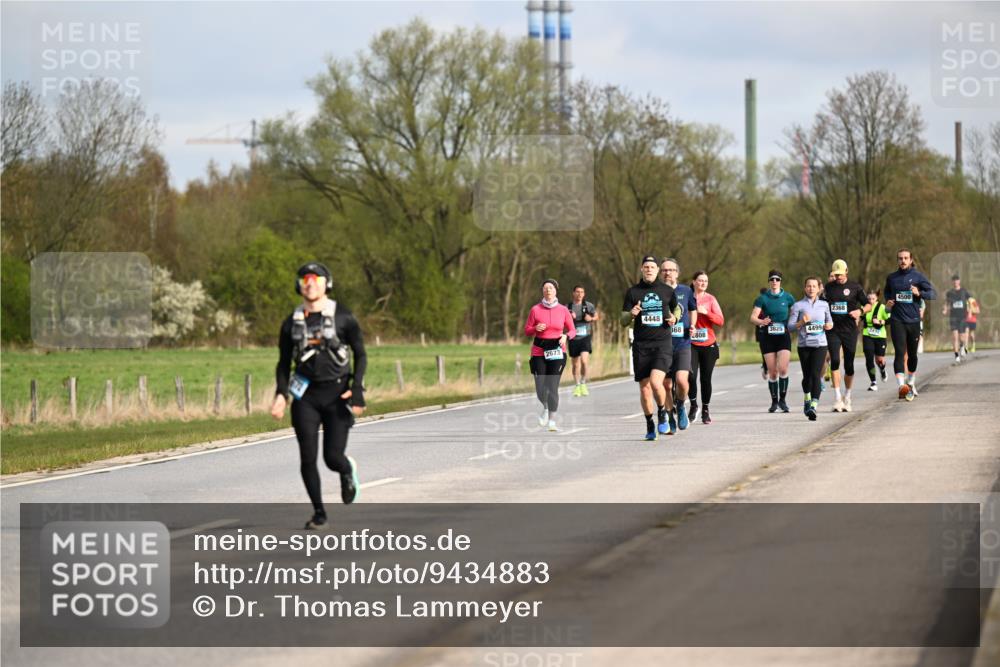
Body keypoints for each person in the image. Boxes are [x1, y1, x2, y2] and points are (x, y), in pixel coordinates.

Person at [271, 262, 367, 530]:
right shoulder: (291, 323)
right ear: (299, 285)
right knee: (307, 457)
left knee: (332, 458)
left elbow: (360, 354)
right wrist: (281, 395)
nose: (310, 283)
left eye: (316, 278)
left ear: (327, 283)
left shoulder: (344, 317)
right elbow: (283, 363)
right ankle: (319, 513)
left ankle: (346, 470)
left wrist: (357, 389)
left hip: (337, 393)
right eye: (305, 279)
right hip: (305, 396)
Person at [621, 255, 679, 441]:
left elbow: (678, 309)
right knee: (645, 389)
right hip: (641, 346)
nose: (649, 269)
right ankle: (649, 424)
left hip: (662, 344)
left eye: (652, 267)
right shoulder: (632, 292)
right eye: (646, 267)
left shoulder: (667, 290)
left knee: (656, 383)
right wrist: (631, 314)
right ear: (642, 270)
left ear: (657, 270)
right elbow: (622, 321)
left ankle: (662, 412)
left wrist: (675, 318)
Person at [884, 248, 936, 401]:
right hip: (897, 321)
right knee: (899, 353)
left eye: (906, 258)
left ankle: (911, 383)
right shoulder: (892, 278)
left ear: (911, 260)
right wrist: (888, 301)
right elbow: (887, 292)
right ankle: (902, 387)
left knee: (912, 355)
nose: (903, 261)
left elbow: (933, 293)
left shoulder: (918, 277)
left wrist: (919, 293)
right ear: (897, 260)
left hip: (913, 321)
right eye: (900, 258)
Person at [524, 279, 576, 431]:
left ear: (555, 291)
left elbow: (572, 330)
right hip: (539, 350)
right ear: (542, 291)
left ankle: (552, 421)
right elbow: (527, 330)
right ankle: (545, 408)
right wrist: (535, 328)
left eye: (551, 288)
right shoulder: (535, 310)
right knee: (540, 387)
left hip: (557, 350)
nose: (548, 290)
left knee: (552, 386)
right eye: (545, 288)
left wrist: (566, 336)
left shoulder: (563, 310)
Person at [821, 259, 869, 412]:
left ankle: (847, 396)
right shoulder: (828, 288)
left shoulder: (855, 287)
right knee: (835, 360)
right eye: (835, 275)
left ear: (846, 272)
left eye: (840, 274)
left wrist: (860, 311)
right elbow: (821, 306)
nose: (838, 277)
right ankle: (837, 398)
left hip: (849, 330)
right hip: (833, 330)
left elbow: (868, 304)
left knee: (849, 366)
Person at [660, 258, 698, 433]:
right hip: (662, 344)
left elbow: (692, 309)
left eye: (671, 270)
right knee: (666, 385)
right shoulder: (656, 291)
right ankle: (669, 415)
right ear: (661, 273)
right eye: (664, 270)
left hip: (682, 342)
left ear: (677, 272)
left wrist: (693, 325)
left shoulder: (686, 291)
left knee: (682, 381)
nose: (668, 273)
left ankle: (681, 405)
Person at [750, 269, 795, 413]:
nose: (774, 282)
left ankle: (783, 400)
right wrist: (762, 321)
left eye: (777, 279)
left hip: (783, 336)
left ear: (781, 281)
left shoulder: (788, 298)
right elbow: (753, 318)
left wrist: (792, 322)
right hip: (767, 337)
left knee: (783, 368)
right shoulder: (762, 298)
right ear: (769, 281)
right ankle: (774, 401)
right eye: (772, 279)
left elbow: (795, 313)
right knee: (773, 372)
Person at [789, 276, 834, 421]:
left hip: (820, 344)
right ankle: (807, 398)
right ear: (805, 288)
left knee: (816, 375)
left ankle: (813, 406)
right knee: (807, 376)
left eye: (814, 286)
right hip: (804, 345)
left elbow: (830, 322)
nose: (811, 289)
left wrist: (829, 326)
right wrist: (801, 322)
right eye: (808, 286)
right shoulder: (798, 306)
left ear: (818, 288)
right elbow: (789, 327)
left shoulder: (824, 305)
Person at [687, 270, 724, 425]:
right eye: (700, 280)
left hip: (708, 343)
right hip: (691, 343)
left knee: (705, 379)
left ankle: (706, 409)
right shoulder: (687, 297)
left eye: (705, 281)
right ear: (694, 281)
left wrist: (706, 312)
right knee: (690, 376)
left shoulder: (710, 299)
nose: (703, 283)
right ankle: (694, 405)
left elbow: (720, 321)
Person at [568, 286, 599, 396]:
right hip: (573, 338)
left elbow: (596, 316)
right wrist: (568, 316)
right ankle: (577, 386)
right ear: (573, 293)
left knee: (584, 362)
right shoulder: (568, 307)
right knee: (575, 365)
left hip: (585, 337)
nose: (579, 294)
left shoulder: (588, 305)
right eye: (577, 292)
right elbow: (561, 319)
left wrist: (591, 319)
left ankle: (583, 383)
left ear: (584, 294)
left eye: (582, 292)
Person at [861, 288, 890, 391]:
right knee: (869, 358)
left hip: (880, 336)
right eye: (869, 298)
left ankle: (882, 370)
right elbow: (859, 317)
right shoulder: (864, 307)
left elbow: (889, 320)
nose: (871, 301)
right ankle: (873, 382)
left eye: (873, 298)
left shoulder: (882, 307)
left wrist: (880, 321)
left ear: (877, 298)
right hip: (867, 334)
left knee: (879, 360)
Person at [943, 274, 971, 363]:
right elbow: (946, 303)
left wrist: (970, 312)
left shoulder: (964, 291)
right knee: (955, 337)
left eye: (957, 280)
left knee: (962, 337)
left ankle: (962, 346)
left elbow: (970, 302)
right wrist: (945, 309)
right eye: (954, 280)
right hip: (953, 317)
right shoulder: (950, 292)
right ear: (952, 282)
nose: (955, 282)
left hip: (962, 317)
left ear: (959, 281)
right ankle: (956, 356)